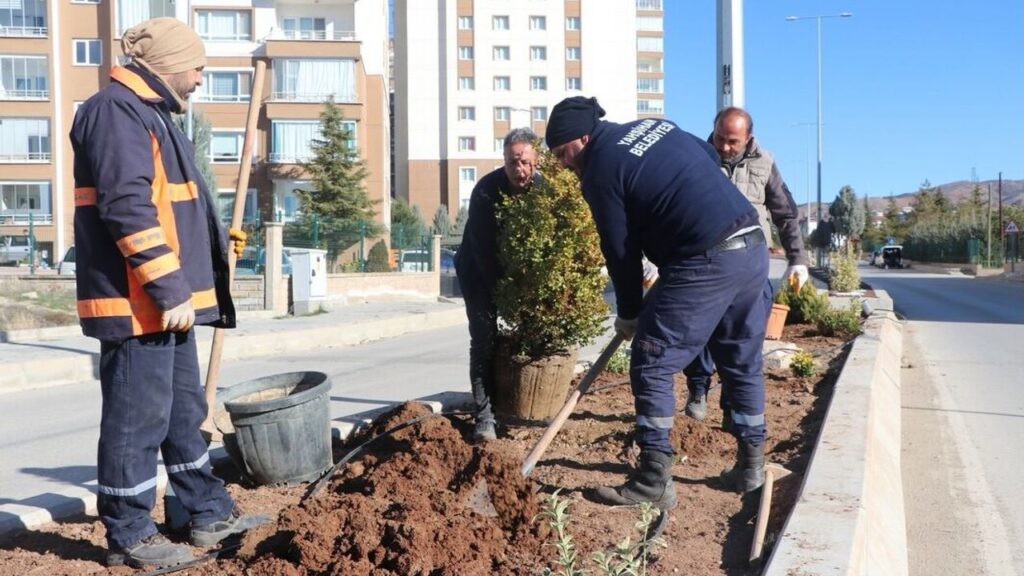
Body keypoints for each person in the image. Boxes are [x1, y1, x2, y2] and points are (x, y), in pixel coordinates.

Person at [70, 17, 265, 569]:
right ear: (169, 65)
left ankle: (203, 510)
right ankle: (129, 533)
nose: (201, 78)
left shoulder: (148, 114)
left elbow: (165, 204)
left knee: (184, 413)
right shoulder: (115, 112)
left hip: (165, 304)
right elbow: (126, 207)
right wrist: (167, 284)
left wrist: (209, 243)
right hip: (138, 304)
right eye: (198, 67)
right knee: (138, 419)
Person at [546, 97, 772, 508]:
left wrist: (629, 312)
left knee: (652, 359)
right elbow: (705, 154)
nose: (563, 163)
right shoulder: (655, 126)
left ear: (583, 137)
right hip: (752, 247)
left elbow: (620, 249)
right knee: (741, 360)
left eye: (563, 153)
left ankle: (652, 478)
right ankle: (751, 466)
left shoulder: (599, 169)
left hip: (706, 258)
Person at [682, 106, 810, 422]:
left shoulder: (765, 163)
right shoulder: (697, 158)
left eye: (733, 142)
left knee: (744, 336)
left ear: (748, 138)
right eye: (719, 139)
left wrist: (798, 260)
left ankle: (731, 402)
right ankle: (698, 387)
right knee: (699, 332)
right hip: (706, 260)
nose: (724, 147)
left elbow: (786, 214)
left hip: (750, 266)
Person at [455, 128, 540, 442]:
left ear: (536, 159)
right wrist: (507, 298)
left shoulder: (543, 191)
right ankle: (485, 416)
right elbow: (484, 253)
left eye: (525, 162)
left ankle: (516, 404)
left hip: (520, 275)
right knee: (484, 338)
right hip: (478, 271)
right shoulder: (486, 191)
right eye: (512, 162)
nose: (519, 169)